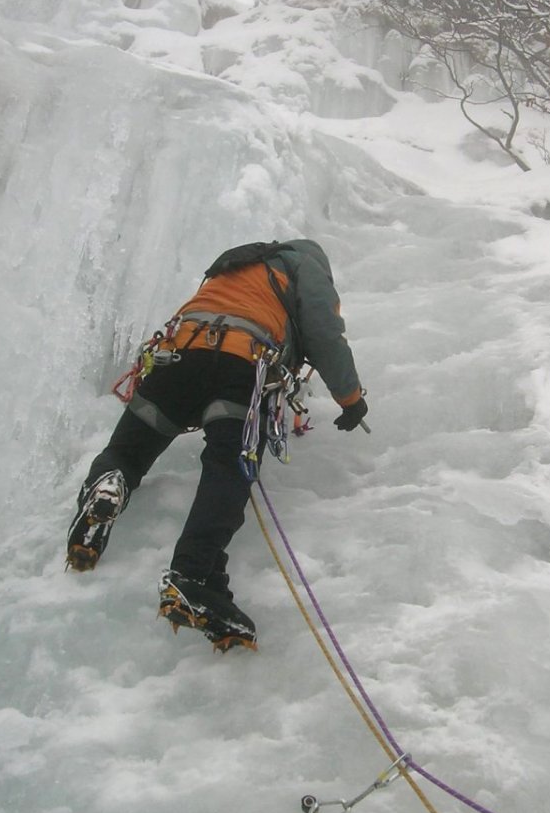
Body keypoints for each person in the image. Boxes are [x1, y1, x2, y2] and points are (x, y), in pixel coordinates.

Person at [66, 238, 367, 651]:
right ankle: (192, 576)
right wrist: (351, 399)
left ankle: (107, 488)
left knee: (126, 452)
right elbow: (325, 332)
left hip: (177, 356)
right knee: (228, 466)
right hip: (240, 364)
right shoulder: (304, 265)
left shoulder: (237, 265)